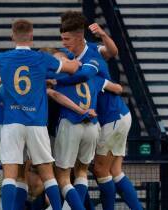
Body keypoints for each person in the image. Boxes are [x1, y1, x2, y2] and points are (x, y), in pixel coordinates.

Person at [0, 19, 81, 210]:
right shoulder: (42, 59)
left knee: (10, 174)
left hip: (12, 123)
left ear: (12, 36)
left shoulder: (1, 59)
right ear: (31, 36)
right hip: (36, 123)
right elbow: (72, 69)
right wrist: (70, 60)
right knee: (47, 174)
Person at [59, 11, 141, 210]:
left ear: (79, 37)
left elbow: (112, 53)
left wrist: (103, 34)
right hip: (117, 116)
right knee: (114, 170)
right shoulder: (73, 56)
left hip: (113, 116)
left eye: (67, 39)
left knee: (100, 169)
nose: (63, 43)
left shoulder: (93, 56)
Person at [0, 76, 97, 210]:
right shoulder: (23, 117)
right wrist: (81, 111)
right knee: (41, 180)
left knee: (33, 174)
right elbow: (54, 94)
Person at [49, 49, 123, 210]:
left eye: (57, 59)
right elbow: (117, 88)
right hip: (92, 125)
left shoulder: (57, 76)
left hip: (70, 123)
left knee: (63, 177)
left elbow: (52, 93)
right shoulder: (90, 75)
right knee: (81, 172)